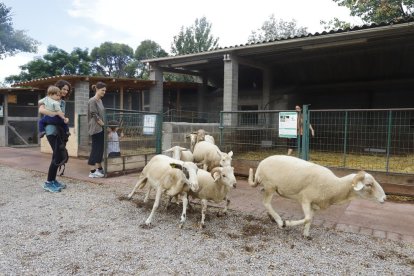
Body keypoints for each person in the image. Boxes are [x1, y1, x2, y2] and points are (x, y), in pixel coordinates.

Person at [38, 79, 72, 192]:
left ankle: (53, 180)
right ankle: (48, 182)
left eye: (67, 90)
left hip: (60, 131)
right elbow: (41, 109)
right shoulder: (49, 99)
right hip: (51, 131)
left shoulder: (62, 102)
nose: (65, 91)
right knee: (58, 156)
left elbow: (62, 117)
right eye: (63, 89)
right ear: (58, 88)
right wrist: (54, 114)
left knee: (57, 156)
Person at [88, 82, 106, 178]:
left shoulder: (100, 101)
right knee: (95, 148)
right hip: (96, 128)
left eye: (105, 90)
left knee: (100, 149)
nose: (104, 92)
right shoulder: (92, 100)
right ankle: (92, 171)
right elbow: (94, 114)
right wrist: (103, 125)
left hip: (101, 128)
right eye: (102, 90)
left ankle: (99, 169)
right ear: (97, 90)